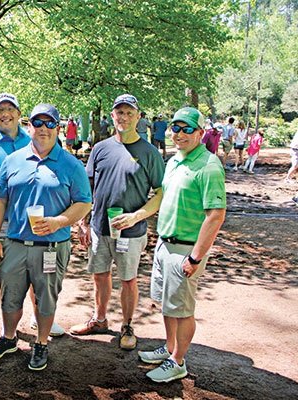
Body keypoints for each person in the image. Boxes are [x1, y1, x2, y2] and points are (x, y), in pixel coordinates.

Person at [0, 103, 92, 371]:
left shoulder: (70, 164)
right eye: (38, 123)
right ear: (28, 126)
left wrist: (59, 221)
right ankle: (8, 338)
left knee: (46, 297)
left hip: (51, 248)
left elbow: (84, 202)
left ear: (58, 128)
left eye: (50, 123)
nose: (43, 128)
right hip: (15, 243)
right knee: (9, 296)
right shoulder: (13, 160)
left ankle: (41, 343)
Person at [71, 94, 164, 350]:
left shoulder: (150, 153)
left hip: (131, 232)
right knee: (100, 275)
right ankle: (99, 320)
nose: (123, 117)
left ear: (138, 117)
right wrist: (83, 222)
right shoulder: (100, 149)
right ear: (112, 116)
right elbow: (87, 189)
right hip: (100, 228)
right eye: (119, 113)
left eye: (129, 113)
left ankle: (128, 326)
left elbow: (160, 194)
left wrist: (137, 215)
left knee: (128, 279)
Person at [139, 107, 226, 383]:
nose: (180, 134)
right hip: (165, 245)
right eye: (176, 128)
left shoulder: (209, 165)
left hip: (186, 249)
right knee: (167, 304)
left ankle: (177, 361)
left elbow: (216, 215)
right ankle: (169, 347)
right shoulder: (175, 160)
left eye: (187, 129)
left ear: (201, 132)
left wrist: (196, 257)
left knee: (183, 309)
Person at [0, 93, 65, 337]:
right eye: (0, 110)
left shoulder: (34, 138)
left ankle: (39, 318)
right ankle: (9, 330)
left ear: (19, 114)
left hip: (32, 219)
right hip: (1, 221)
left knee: (38, 273)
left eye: (10, 109)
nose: (5, 114)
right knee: (8, 276)